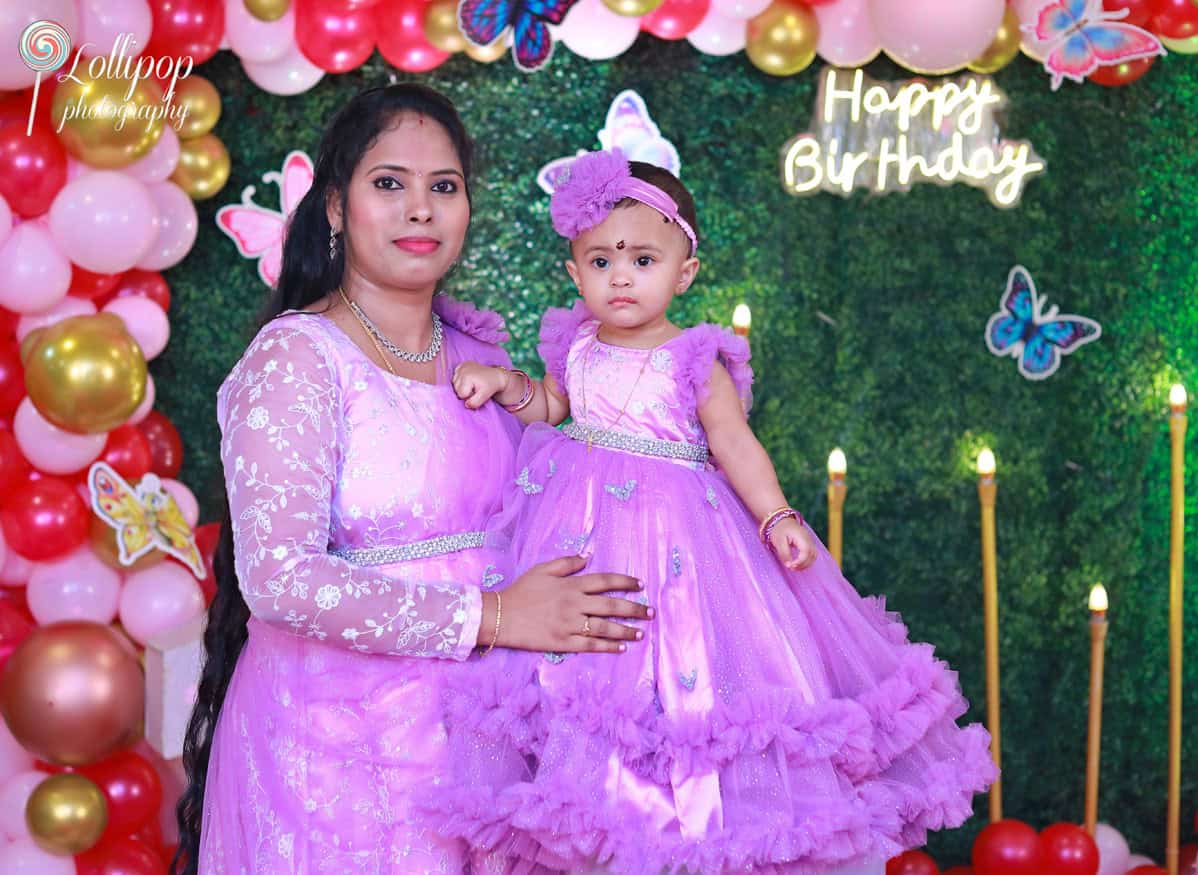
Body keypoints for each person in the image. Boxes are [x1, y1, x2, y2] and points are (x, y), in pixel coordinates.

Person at [422, 148, 999, 875]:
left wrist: (778, 516)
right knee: (585, 675)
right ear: (574, 274)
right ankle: (603, 818)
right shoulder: (578, 345)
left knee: (687, 679)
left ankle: (697, 828)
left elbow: (734, 442)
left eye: (641, 259)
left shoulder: (695, 355)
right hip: (581, 536)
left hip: (686, 547)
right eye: (600, 261)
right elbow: (553, 407)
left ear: (683, 272)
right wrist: (503, 383)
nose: (620, 276)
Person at [172, 86, 652, 875]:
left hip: (483, 745)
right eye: (389, 183)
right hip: (335, 758)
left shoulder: (479, 365)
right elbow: (281, 579)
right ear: (335, 207)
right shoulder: (299, 358)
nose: (419, 209)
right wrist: (494, 613)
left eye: (444, 187)